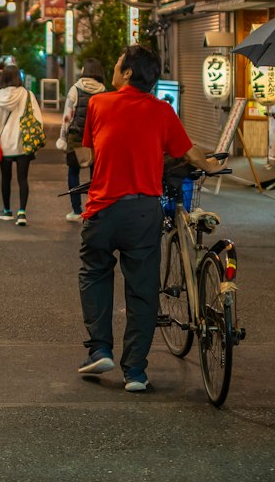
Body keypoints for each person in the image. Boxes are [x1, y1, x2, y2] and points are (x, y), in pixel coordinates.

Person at [74, 44, 214, 393]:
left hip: (103, 209)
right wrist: (210, 165)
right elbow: (189, 152)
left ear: (127, 73)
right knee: (142, 288)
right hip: (142, 212)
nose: (114, 68)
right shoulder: (162, 111)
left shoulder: (98, 104)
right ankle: (135, 371)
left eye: (118, 64)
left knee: (94, 272)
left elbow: (88, 155)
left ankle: (100, 348)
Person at [0, 67, 44, 226]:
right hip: (23, 144)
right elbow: (37, 118)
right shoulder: (27, 95)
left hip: (4, 146)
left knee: (6, 178)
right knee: (22, 178)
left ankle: (6, 210)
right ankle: (22, 213)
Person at [56, 59, 106, 222]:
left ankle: (76, 210)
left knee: (73, 172)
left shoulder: (75, 89)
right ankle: (93, 210)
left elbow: (67, 117)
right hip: (96, 139)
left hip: (77, 137)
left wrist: (62, 139)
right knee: (95, 176)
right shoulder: (104, 91)